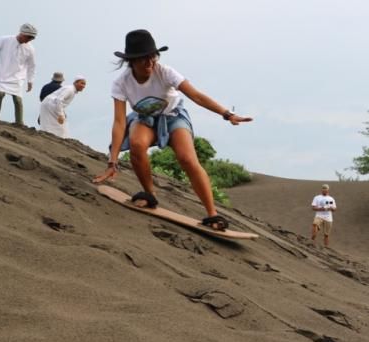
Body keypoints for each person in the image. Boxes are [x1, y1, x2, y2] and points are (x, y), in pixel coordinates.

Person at [93, 29, 252, 231]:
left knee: (187, 158)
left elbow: (197, 96)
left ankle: (212, 214)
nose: (150, 63)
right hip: (145, 119)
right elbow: (119, 123)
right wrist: (112, 160)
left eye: (152, 57)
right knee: (136, 144)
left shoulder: (165, 71)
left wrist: (227, 114)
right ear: (131, 61)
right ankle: (150, 194)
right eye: (143, 59)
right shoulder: (121, 83)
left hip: (173, 116)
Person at [0, 23, 37, 126]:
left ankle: (19, 123)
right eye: (28, 37)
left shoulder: (30, 49)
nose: (29, 40)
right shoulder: (6, 40)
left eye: (32, 38)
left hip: (18, 77)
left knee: (18, 100)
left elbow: (32, 66)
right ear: (22, 33)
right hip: (3, 74)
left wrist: (30, 81)